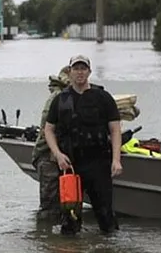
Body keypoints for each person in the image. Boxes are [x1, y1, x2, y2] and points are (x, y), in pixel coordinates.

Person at [44, 54, 122, 235]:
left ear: (89, 71)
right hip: (70, 165)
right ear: (70, 72)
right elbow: (48, 130)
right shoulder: (60, 99)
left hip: (99, 162)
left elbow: (115, 129)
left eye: (83, 68)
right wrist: (57, 155)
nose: (80, 72)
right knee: (70, 218)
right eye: (76, 69)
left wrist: (116, 160)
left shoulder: (103, 97)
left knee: (106, 216)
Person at [31, 66, 70, 221]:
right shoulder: (57, 98)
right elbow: (46, 130)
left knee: (64, 204)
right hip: (48, 157)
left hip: (59, 156)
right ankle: (45, 238)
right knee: (50, 206)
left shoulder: (69, 97)